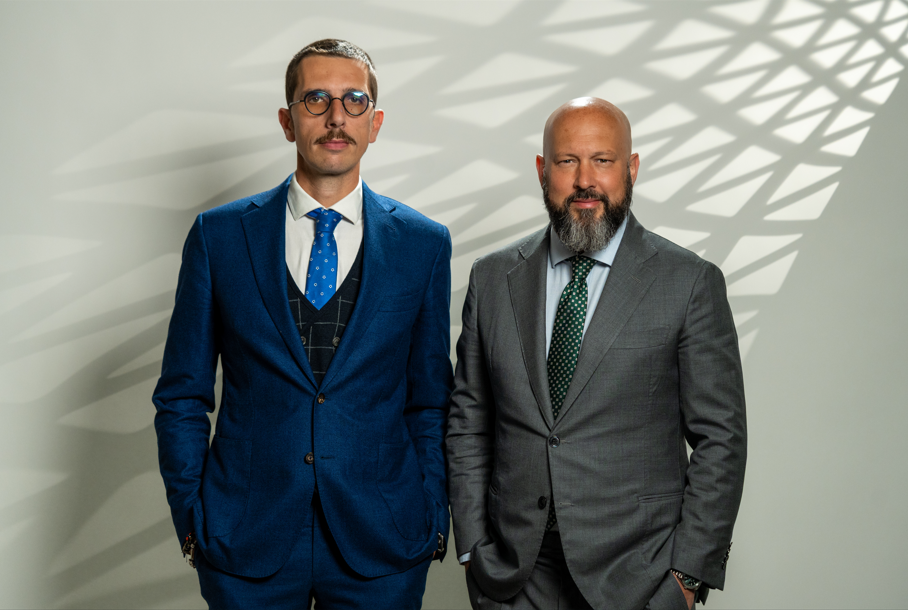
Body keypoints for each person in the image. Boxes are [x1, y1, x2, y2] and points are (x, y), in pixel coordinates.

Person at [153, 39, 452, 609]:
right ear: (288, 121)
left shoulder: (423, 244)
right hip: (245, 538)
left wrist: (432, 514)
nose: (336, 116)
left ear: (375, 123)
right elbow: (182, 396)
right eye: (316, 99)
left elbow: (431, 401)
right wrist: (193, 519)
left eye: (354, 100)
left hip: (382, 541)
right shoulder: (220, 237)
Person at [446, 97, 747, 610]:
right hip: (515, 577)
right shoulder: (492, 278)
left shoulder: (689, 282)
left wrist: (687, 576)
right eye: (567, 161)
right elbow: (468, 421)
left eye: (603, 160)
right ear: (542, 170)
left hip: (640, 576)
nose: (585, 180)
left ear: (631, 168)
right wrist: (473, 548)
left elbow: (721, 438)